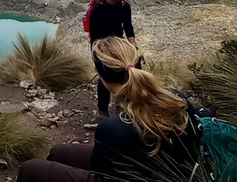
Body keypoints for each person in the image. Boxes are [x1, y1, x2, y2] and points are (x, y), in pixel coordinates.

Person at [16, 36, 200, 182]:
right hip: (173, 171)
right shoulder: (177, 99)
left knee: (30, 168)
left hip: (131, 175)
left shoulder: (111, 129)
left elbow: (102, 173)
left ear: (102, 77)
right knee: (58, 152)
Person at [88, 0, 135, 118]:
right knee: (104, 76)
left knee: (123, 73)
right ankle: (103, 109)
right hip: (101, 43)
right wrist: (98, 54)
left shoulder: (125, 6)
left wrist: (133, 45)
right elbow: (94, 35)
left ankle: (120, 104)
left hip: (118, 42)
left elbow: (128, 27)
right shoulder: (97, 9)